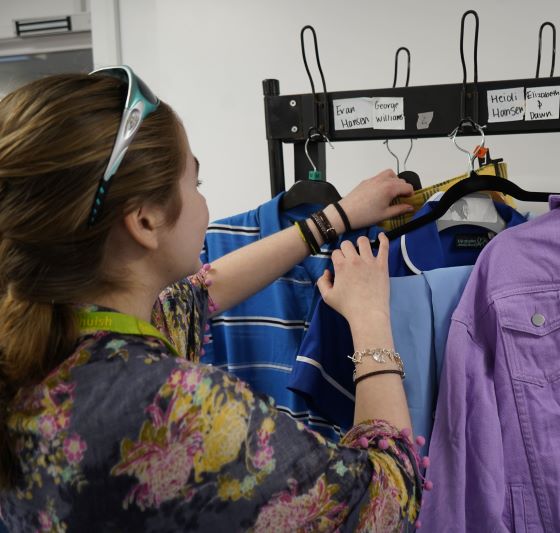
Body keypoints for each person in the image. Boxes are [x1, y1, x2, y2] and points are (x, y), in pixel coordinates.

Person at [0, 67, 426, 531]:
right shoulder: (179, 410)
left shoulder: (37, 349)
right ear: (144, 222)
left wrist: (333, 219)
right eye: (194, 184)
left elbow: (200, 293)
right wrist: (370, 319)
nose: (204, 203)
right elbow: (386, 503)